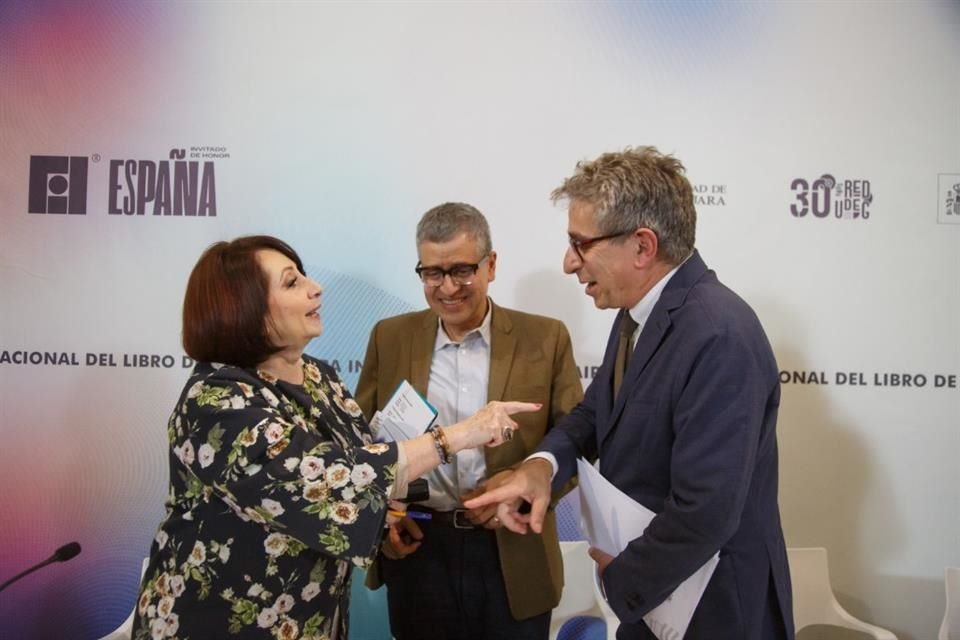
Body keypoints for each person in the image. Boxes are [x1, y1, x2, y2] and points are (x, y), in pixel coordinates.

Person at [132, 235, 537, 640]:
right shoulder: (217, 400)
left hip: (310, 619)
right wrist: (460, 435)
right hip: (221, 621)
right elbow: (325, 479)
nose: (315, 288)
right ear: (244, 306)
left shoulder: (317, 375)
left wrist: (390, 515)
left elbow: (364, 455)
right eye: (292, 282)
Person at [466, 148, 796, 640]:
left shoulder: (718, 334)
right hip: (659, 601)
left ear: (642, 246)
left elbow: (706, 510)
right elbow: (595, 413)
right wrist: (541, 467)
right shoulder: (637, 314)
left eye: (580, 244)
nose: (568, 263)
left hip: (714, 613)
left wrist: (620, 579)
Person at [355, 203, 583, 640]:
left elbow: (575, 439)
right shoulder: (390, 337)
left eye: (461, 270)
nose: (447, 287)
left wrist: (523, 490)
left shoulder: (545, 338)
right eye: (432, 273)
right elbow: (363, 443)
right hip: (420, 547)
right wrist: (385, 517)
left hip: (513, 550)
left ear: (490, 265)